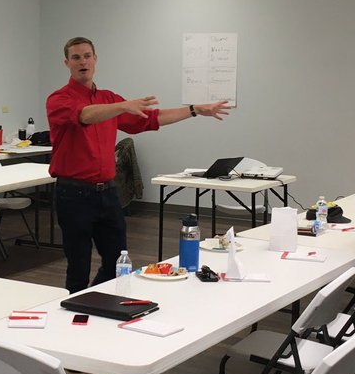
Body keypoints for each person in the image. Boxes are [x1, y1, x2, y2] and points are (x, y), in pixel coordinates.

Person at [46, 36, 230, 294]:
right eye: (76, 57)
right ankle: (74, 314)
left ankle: (96, 300)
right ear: (67, 63)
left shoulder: (109, 99)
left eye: (87, 55)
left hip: (107, 193)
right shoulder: (59, 99)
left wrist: (194, 109)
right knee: (78, 264)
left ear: (95, 60)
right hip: (73, 194)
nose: (82, 61)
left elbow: (151, 119)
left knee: (118, 260)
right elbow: (85, 115)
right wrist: (121, 106)